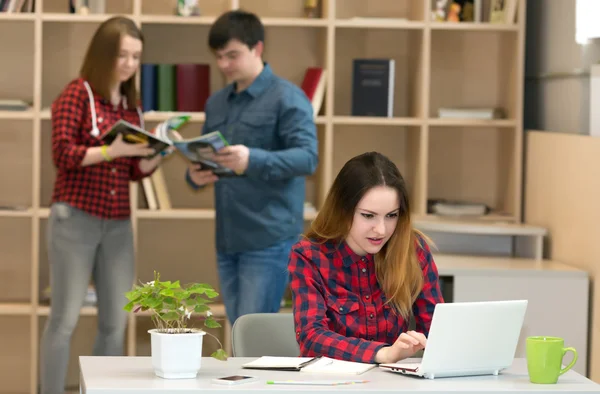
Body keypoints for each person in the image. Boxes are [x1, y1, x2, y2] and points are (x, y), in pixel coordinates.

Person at [39, 16, 165, 394]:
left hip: (117, 225)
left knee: (115, 322)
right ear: (104, 54)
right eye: (122, 55)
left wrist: (158, 153)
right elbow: (62, 154)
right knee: (64, 319)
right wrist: (113, 149)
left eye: (136, 57)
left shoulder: (131, 106)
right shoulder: (77, 94)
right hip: (74, 218)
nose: (128, 64)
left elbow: (133, 172)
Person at [185, 9, 318, 326]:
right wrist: (195, 176)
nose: (223, 65)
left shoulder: (288, 98)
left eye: (232, 55)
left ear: (257, 48)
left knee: (252, 338)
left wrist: (252, 159)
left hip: (269, 239)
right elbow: (210, 155)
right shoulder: (216, 103)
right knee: (238, 333)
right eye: (219, 57)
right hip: (228, 239)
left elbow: (307, 158)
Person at [288, 151, 444, 364]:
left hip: (390, 384)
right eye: (368, 216)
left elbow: (437, 330)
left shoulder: (413, 249)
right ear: (343, 210)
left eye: (391, 216)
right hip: (329, 382)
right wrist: (383, 353)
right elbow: (311, 336)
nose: (380, 230)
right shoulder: (308, 256)